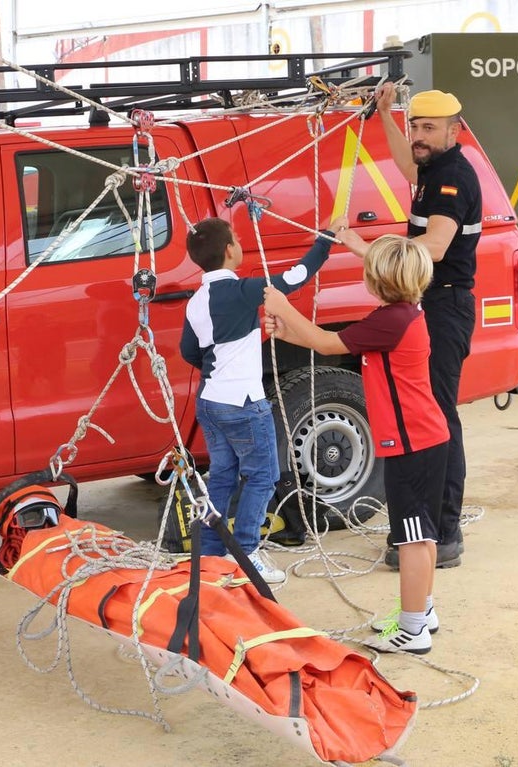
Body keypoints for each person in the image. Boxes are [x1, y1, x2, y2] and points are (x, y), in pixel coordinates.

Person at [264, 233, 448, 654]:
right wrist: (289, 332)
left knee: (412, 538)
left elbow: (329, 343)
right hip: (421, 440)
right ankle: (422, 611)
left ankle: (414, 629)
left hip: (413, 444)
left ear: (378, 280)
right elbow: (329, 341)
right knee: (419, 535)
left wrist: (284, 306)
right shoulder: (398, 315)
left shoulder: (391, 320)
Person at [334, 86, 481, 569]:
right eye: (415, 126)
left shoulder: (453, 178)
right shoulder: (432, 167)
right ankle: (429, 530)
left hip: (444, 307)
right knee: (428, 415)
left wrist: (363, 248)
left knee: (437, 419)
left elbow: (434, 248)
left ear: (453, 130)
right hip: (429, 305)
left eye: (427, 128)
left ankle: (443, 534)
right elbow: (406, 163)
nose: (418, 136)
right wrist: (385, 116)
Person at [179, 215, 344, 585]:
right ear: (229, 250)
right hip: (243, 402)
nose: (239, 242)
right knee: (263, 476)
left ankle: (210, 555)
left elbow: (192, 351)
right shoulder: (240, 291)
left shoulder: (197, 300)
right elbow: (296, 278)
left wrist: (249, 339)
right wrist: (327, 238)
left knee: (221, 476)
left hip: (211, 401)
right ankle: (248, 553)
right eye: (236, 238)